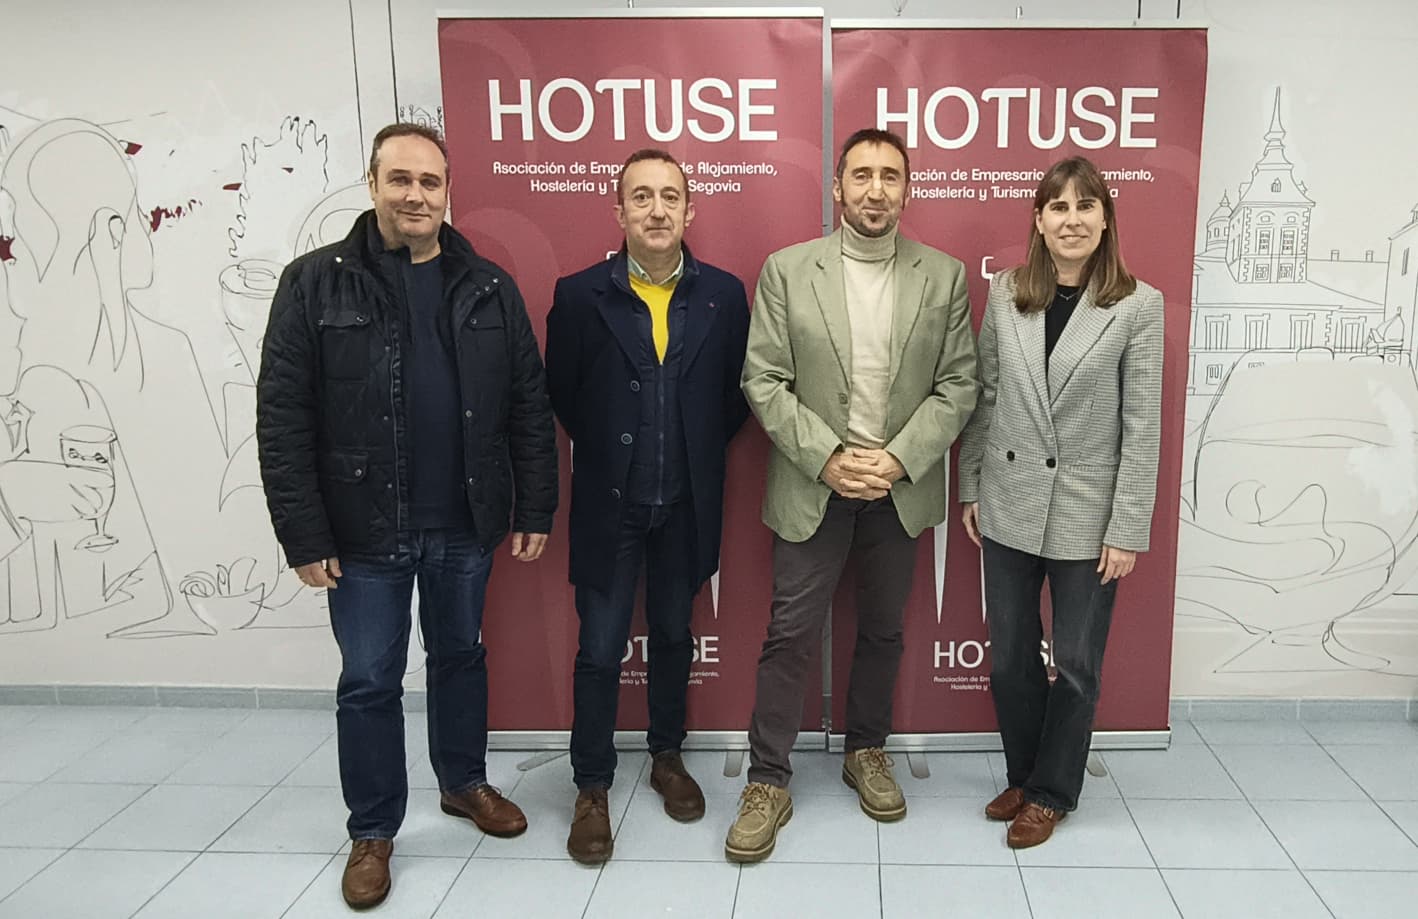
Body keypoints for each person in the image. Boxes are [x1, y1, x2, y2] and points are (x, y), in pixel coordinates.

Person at [256, 123, 557, 908]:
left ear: (448, 189)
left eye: (429, 181)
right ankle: (373, 829)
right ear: (372, 184)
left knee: (460, 655)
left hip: (464, 520)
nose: (415, 195)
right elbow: (283, 417)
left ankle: (462, 782)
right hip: (363, 529)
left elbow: (527, 404)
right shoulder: (314, 283)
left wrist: (535, 502)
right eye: (400, 179)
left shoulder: (487, 285)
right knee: (368, 680)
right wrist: (303, 532)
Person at [725, 128, 978, 863]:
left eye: (890, 176)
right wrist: (829, 458)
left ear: (907, 189)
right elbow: (762, 378)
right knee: (789, 634)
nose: (875, 189)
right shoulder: (787, 270)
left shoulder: (945, 276)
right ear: (837, 187)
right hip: (815, 483)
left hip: (897, 488)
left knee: (884, 630)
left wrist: (896, 460)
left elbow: (959, 384)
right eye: (861, 175)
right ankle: (768, 779)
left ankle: (867, 749)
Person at [545, 148, 751, 864]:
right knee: (600, 649)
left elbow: (734, 397)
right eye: (641, 196)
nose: (657, 209)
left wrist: (690, 449)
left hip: (686, 503)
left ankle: (667, 755)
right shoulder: (579, 295)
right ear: (619, 210)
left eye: (670, 196)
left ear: (690, 210)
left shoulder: (723, 295)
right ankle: (591, 785)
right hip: (611, 505)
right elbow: (565, 394)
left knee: (671, 634)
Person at [958, 155, 1163, 849]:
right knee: (1010, 658)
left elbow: (1141, 425)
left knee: (1074, 664)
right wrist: (971, 484)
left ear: (1105, 218)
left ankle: (1052, 793)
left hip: (1087, 511)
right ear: (1039, 221)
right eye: (1058, 207)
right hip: (1009, 499)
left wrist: (1127, 526)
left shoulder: (1138, 305)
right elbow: (986, 396)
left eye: (1085, 205)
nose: (1071, 219)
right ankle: (1024, 776)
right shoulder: (1006, 292)